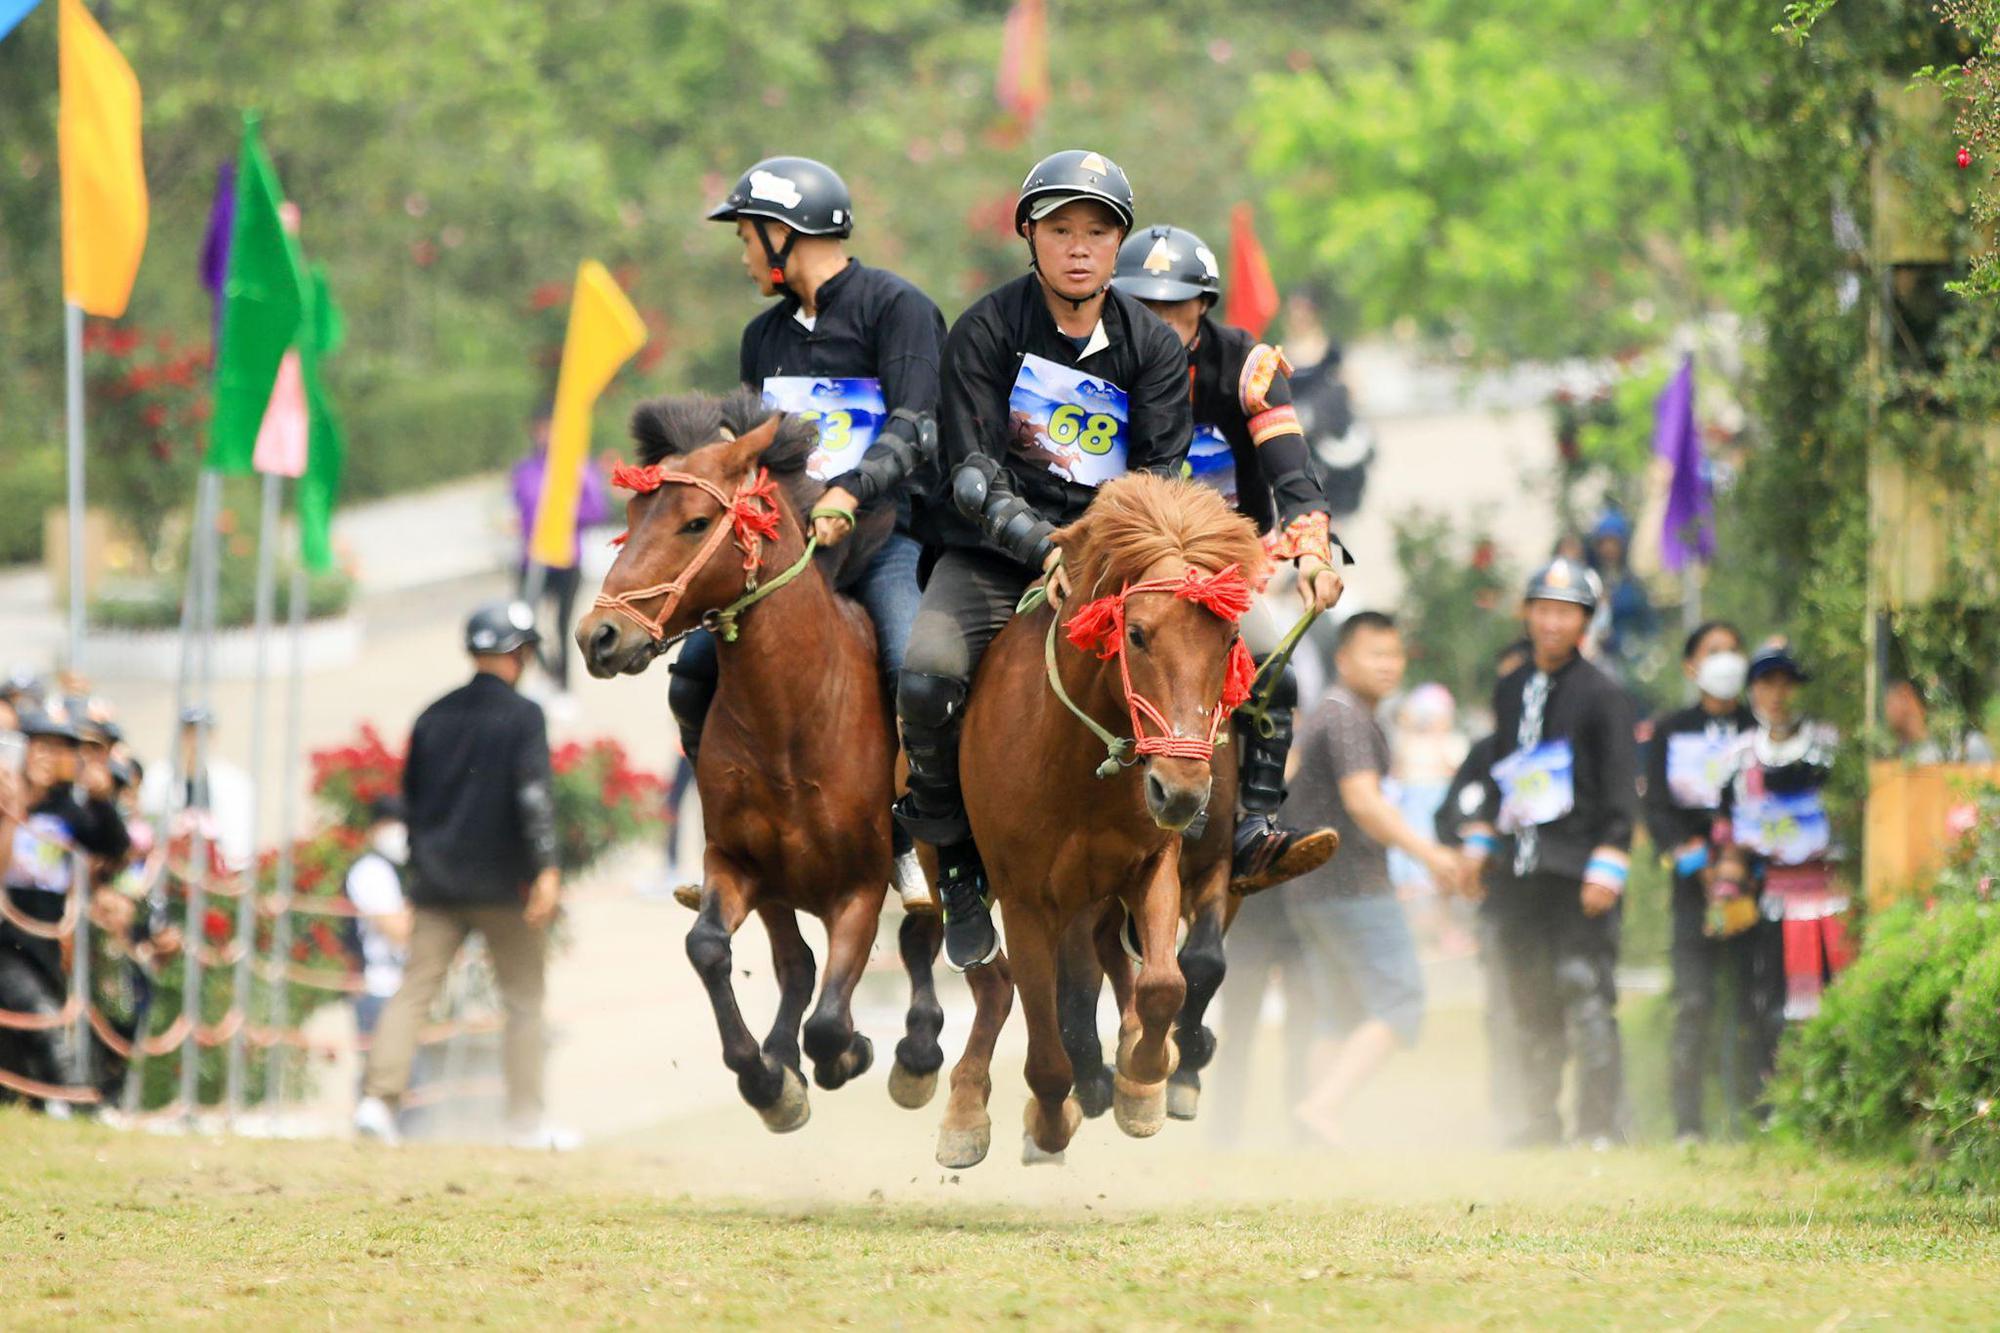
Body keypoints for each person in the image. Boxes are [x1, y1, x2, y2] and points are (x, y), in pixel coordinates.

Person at [894, 149, 1195, 970]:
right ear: (1029, 235)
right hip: (994, 557)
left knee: (1205, 657)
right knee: (925, 674)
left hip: (1113, 563)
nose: (1078, 247)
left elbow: (1159, 478)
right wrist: (1041, 548)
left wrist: (1097, 554)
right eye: (1060, 229)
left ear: (1118, 246)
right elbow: (971, 472)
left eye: (1097, 232)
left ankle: (1197, 839)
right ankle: (954, 859)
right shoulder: (986, 330)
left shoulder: (1155, 351)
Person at [686, 155, 947, 911]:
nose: (743, 254)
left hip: (885, 538)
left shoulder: (899, 308)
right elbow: (745, 452)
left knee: (911, 665)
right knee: (694, 668)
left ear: (784, 233)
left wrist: (849, 491)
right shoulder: (760, 338)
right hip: (783, 558)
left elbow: (916, 425)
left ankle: (914, 839)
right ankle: (727, 842)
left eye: (747, 236)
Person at [1108, 222, 1348, 895]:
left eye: (1171, 305)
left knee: (1277, 668)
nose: (1155, 320)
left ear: (1203, 305)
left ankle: (1253, 828)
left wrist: (1312, 552)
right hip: (1124, 574)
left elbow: (1292, 472)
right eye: (1140, 305)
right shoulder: (1097, 366)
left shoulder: (1246, 367)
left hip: (1223, 580)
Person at [356, 602, 572, 1149]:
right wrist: (546, 869)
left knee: (413, 994)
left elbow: (413, 804)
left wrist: (417, 876)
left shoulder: (432, 716)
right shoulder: (524, 716)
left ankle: (377, 1104)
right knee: (522, 1001)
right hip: (503, 888)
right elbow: (533, 797)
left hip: (438, 888)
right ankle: (524, 1119)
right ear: (517, 654)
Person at [1459, 558, 1638, 1148]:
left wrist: (1608, 864)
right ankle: (1538, 1125)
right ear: (1528, 614)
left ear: (1585, 622)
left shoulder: (1604, 694)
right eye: (1544, 609)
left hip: (1578, 873)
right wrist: (1481, 845)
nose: (1553, 623)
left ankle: (1598, 1128)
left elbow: (1619, 788)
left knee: (1585, 994)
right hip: (1521, 873)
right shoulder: (1511, 689)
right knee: (1530, 1002)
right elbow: (1499, 775)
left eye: (1567, 612)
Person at [1282, 612, 1462, 1147]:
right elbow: (1364, 801)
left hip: (1312, 889)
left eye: (1394, 654)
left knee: (1338, 1013)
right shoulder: (1346, 718)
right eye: (1374, 654)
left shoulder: (1334, 714)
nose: (1388, 665)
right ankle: (1322, 1108)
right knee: (1401, 1000)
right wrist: (1429, 854)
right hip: (1352, 887)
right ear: (1343, 659)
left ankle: (1312, 1128)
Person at [1644, 621, 1776, 1142]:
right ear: (1690, 665)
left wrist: (1740, 857)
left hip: (1751, 882)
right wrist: (1688, 855)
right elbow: (1654, 805)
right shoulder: (1670, 729)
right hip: (1691, 888)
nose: (1725, 660)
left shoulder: (1760, 727)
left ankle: (1759, 1115)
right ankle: (1688, 1125)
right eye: (1712, 651)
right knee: (1693, 1001)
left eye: (1732, 649)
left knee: (1755, 1000)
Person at [0, 702, 130, 1112]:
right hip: (4, 936)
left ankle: (34, 1106)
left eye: (60, 748)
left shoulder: (65, 810)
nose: (49, 757)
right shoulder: (6, 793)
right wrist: (16, 803)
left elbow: (111, 846)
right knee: (39, 1016)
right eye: (42, 745)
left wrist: (101, 797)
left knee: (19, 1038)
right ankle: (80, 1102)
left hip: (45, 938)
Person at [1712, 646, 1846, 1023]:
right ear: (1752, 691)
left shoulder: (1832, 749)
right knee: (1772, 1012)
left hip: (1833, 898)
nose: (1777, 695)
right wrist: (1725, 895)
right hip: (1770, 902)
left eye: (1788, 684)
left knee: (1838, 1003)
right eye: (1767, 683)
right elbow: (1729, 839)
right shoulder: (1738, 759)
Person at [512, 405, 610, 698]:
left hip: (567, 558)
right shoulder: (524, 471)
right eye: (541, 429)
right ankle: (544, 671)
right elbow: (518, 510)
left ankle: (564, 684)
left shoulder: (577, 466)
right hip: (533, 559)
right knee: (524, 621)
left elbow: (597, 511)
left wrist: (567, 515)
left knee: (561, 624)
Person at [344, 795, 413, 1055]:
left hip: (399, 987)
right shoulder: (372, 870)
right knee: (385, 1075)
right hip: (378, 986)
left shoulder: (397, 871)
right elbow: (399, 931)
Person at [1884, 677, 1995, 764]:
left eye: (1887, 701)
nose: (1884, 710)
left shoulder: (1967, 746)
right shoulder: (1892, 758)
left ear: (1905, 694)